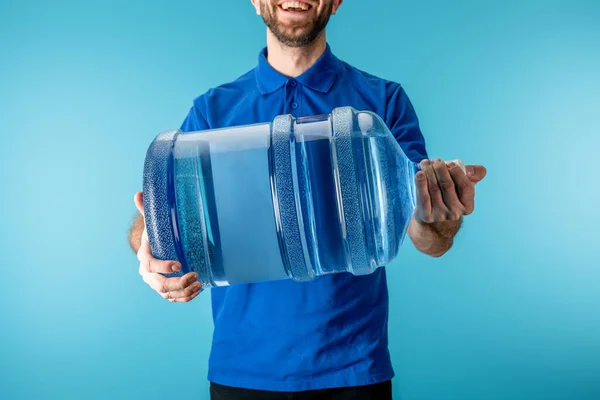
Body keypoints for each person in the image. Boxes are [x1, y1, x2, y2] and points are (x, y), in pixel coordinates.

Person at [128, 1, 487, 398]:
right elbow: (162, 216)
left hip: (354, 370)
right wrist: (151, 253)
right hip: (243, 370)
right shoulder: (213, 111)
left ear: (335, 2)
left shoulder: (382, 101)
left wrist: (443, 215)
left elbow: (429, 238)